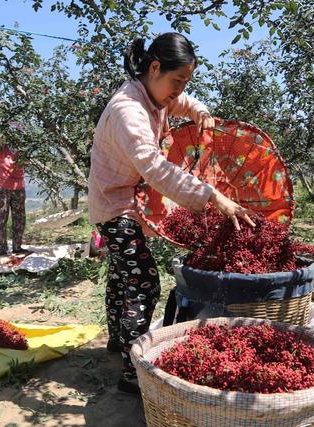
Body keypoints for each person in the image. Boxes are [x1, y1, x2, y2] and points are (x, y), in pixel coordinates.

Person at [88, 32, 255, 394]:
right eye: (177, 81)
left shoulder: (156, 95)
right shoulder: (128, 109)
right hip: (115, 203)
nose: (180, 90)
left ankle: (118, 342)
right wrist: (213, 197)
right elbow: (154, 166)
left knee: (122, 274)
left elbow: (183, 104)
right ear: (154, 68)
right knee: (142, 282)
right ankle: (133, 373)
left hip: (124, 199)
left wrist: (202, 113)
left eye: (186, 82)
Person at [0, 137, 31, 257]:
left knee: (20, 219)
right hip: (1, 188)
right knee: (1, 219)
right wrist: (1, 140)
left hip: (19, 187)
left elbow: (26, 162)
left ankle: (17, 247)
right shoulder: (0, 148)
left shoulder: (22, 149)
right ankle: (2, 249)